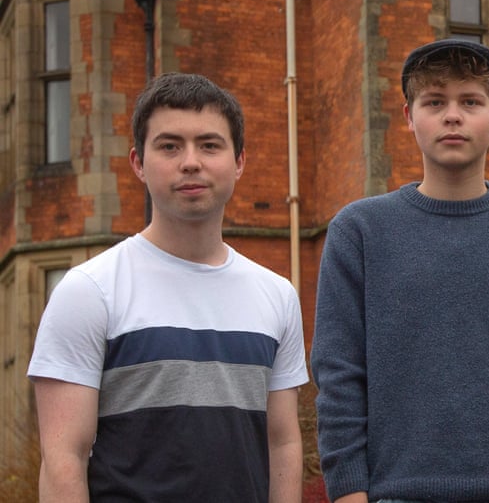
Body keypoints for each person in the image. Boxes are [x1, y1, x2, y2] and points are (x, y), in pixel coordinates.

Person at [311, 39, 489, 503]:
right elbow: (339, 374)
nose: (453, 116)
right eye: (435, 102)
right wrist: (348, 493)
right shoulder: (359, 230)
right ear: (409, 116)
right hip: (394, 494)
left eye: (470, 102)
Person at [27, 72, 309, 502]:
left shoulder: (277, 296)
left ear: (239, 161)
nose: (190, 162)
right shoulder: (89, 291)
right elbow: (64, 459)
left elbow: (282, 443)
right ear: (138, 163)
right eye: (170, 146)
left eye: (209, 145)